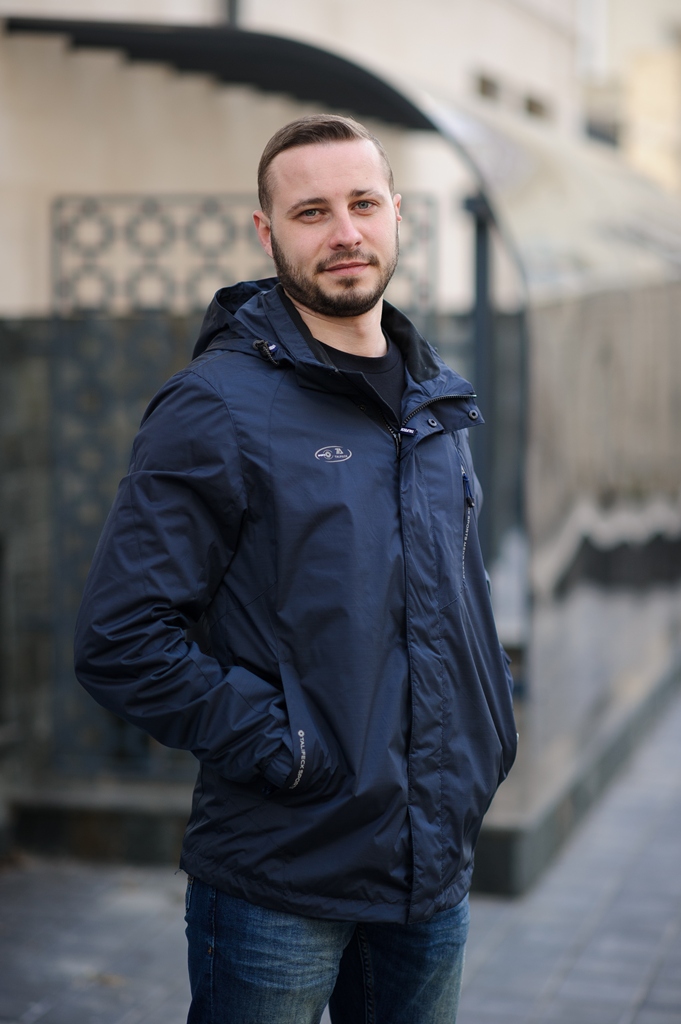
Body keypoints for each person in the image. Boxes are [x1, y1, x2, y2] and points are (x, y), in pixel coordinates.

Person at [75, 113, 517, 1024]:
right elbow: (121, 638)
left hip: (431, 864)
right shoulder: (215, 406)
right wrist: (288, 751)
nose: (344, 231)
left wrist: (484, 738)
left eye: (363, 203)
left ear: (396, 213)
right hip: (282, 870)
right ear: (266, 231)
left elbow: (447, 606)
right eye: (311, 212)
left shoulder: (432, 400)